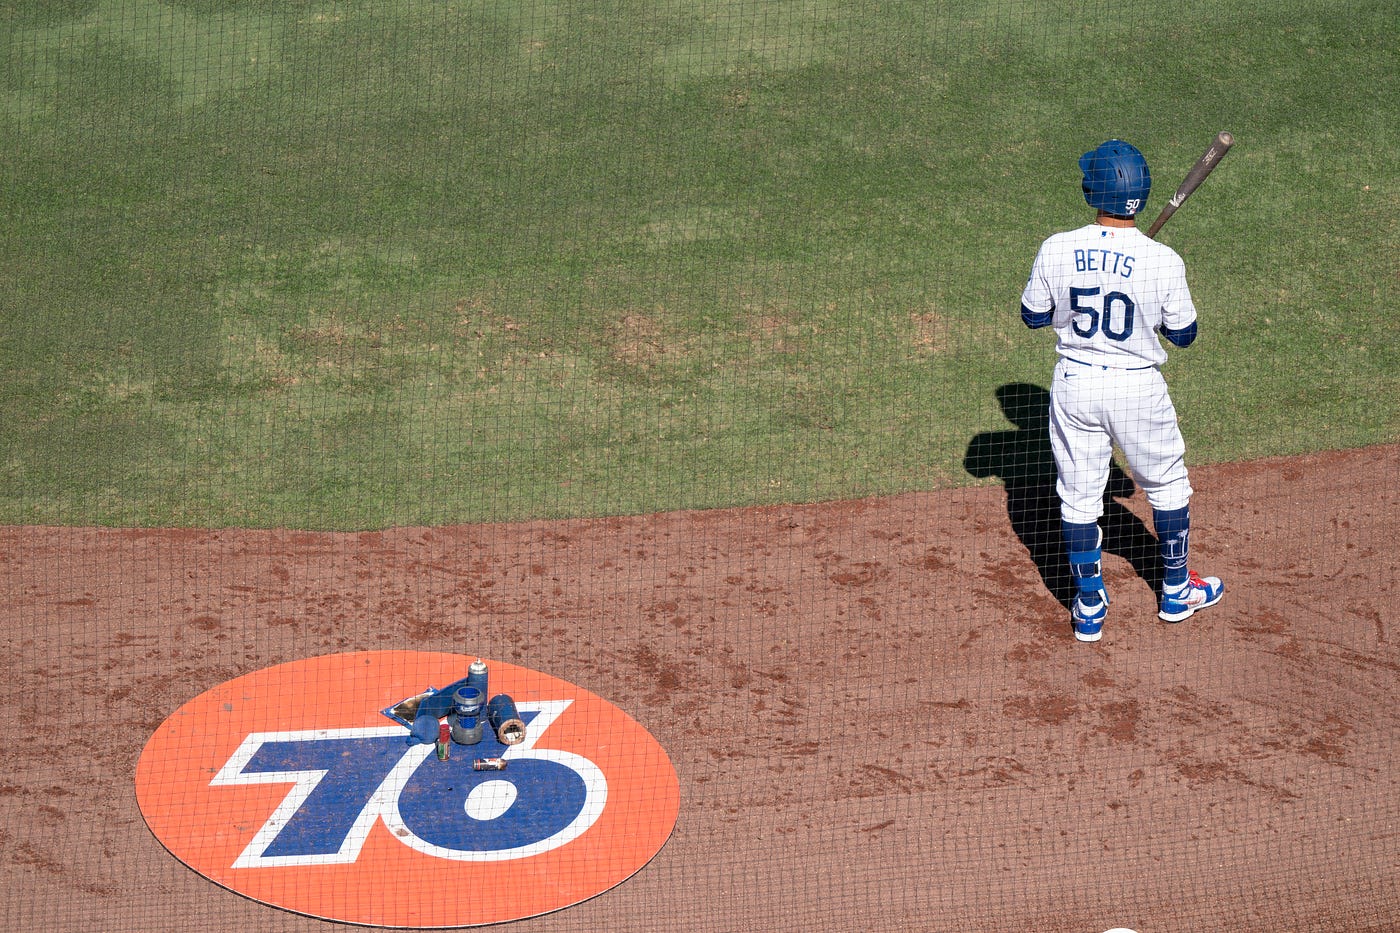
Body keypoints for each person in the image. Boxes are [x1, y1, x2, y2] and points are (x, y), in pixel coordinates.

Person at [1018, 139, 1224, 643]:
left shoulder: (1057, 246)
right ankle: (1176, 591)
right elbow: (1185, 334)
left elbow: (1032, 317)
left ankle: (1089, 605)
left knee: (1079, 497)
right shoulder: (1162, 259)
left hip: (1076, 386)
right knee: (1168, 486)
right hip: (1136, 391)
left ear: (1093, 190)